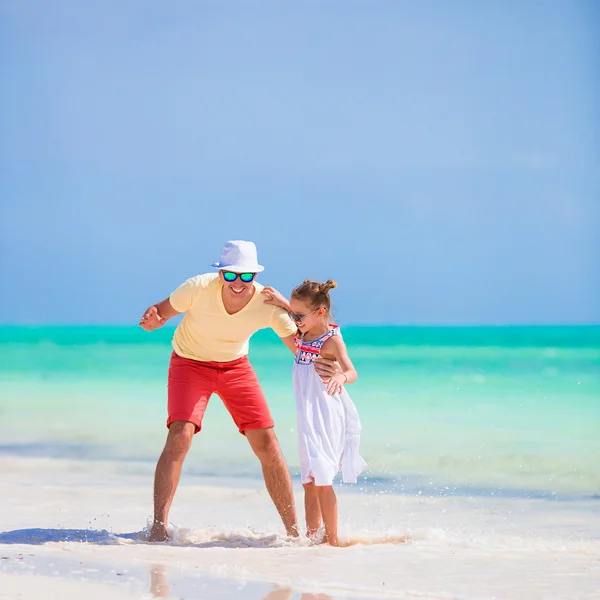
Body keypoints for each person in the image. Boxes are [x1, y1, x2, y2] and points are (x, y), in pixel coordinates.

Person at [138, 240, 340, 542]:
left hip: (235, 367)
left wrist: (334, 365)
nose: (238, 282)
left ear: (255, 277)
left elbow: (301, 347)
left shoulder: (265, 303)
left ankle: (293, 533)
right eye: (231, 275)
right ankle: (158, 527)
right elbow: (160, 310)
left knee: (268, 443)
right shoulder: (196, 287)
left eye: (246, 276)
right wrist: (153, 321)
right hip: (189, 364)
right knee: (180, 434)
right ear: (220, 274)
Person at [261, 279, 366, 546]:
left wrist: (340, 378)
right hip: (306, 415)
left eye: (298, 315)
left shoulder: (330, 341)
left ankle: (332, 540)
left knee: (322, 478)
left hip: (325, 413)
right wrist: (284, 303)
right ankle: (312, 538)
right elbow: (300, 315)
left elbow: (352, 371)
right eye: (292, 314)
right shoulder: (304, 333)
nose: (294, 320)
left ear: (320, 312)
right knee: (308, 479)